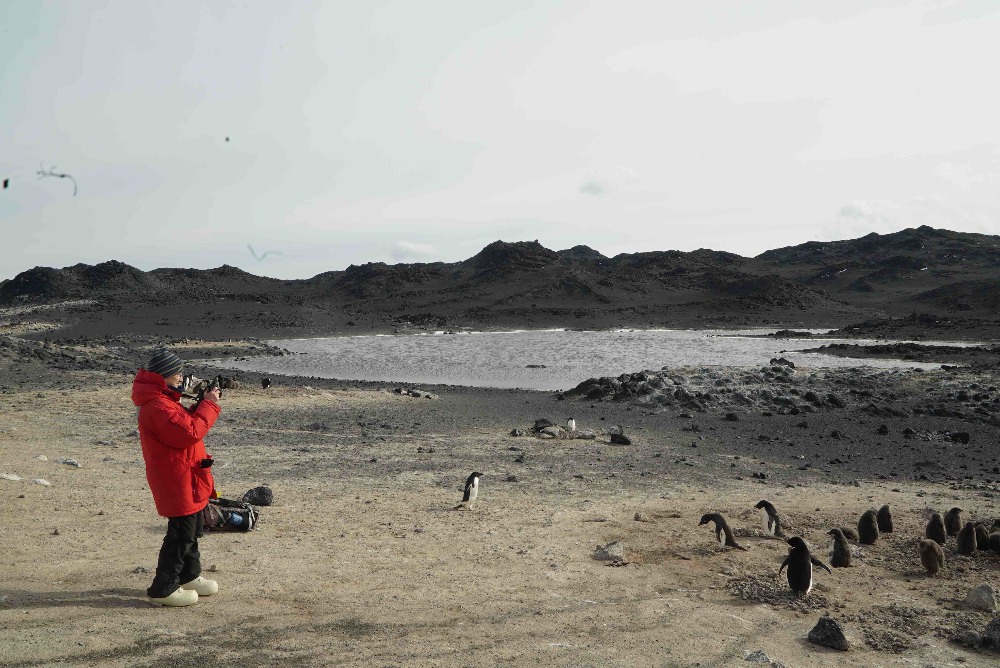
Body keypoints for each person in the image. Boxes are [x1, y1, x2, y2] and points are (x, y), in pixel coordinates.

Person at [132, 347, 222, 606]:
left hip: (185, 475)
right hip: (176, 478)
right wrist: (209, 405)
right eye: (177, 374)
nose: (181, 379)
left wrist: (199, 404)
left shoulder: (164, 401)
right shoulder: (158, 405)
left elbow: (182, 425)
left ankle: (188, 576)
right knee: (180, 533)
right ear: (164, 376)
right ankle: (164, 587)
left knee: (192, 529)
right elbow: (188, 433)